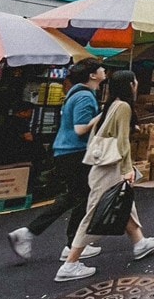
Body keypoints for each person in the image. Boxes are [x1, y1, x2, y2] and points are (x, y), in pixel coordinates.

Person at [56, 71, 154, 282]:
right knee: (96, 213)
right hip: (110, 167)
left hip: (104, 164)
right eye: (135, 81)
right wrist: (127, 169)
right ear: (130, 84)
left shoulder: (112, 104)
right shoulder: (123, 106)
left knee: (125, 204)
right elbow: (122, 141)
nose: (137, 84)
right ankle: (70, 262)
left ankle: (139, 242)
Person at [8, 60, 106, 264]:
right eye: (100, 69)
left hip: (66, 152)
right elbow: (80, 128)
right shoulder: (84, 96)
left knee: (76, 197)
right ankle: (66, 244)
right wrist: (104, 116)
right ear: (92, 75)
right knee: (81, 197)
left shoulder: (76, 94)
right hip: (74, 152)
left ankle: (67, 243)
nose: (104, 70)